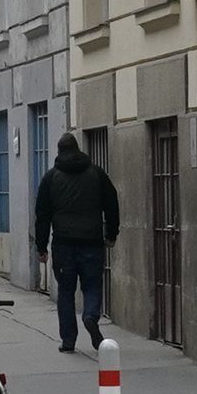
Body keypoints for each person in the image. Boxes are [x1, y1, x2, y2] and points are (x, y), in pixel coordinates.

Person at [31, 129, 121, 354]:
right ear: (78, 149)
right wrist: (111, 234)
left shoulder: (51, 178)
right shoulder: (96, 174)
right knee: (92, 285)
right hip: (91, 242)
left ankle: (68, 339)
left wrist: (41, 247)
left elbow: (42, 214)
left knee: (66, 291)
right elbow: (112, 203)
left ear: (59, 151)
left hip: (63, 244)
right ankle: (90, 315)